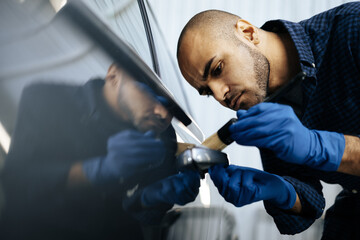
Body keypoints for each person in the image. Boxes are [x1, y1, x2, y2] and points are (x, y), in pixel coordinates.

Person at [177, 2, 360, 239]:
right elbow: (310, 203)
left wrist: (317, 147)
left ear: (248, 33)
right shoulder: (260, 101)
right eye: (208, 91)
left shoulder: (352, 28)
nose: (220, 95)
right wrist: (277, 189)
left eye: (218, 69)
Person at [0, 63, 201, 240]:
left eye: (171, 108)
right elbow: (18, 183)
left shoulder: (163, 137)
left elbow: (143, 218)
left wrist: (154, 198)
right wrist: (98, 170)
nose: (164, 114)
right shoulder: (48, 100)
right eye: (151, 94)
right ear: (114, 76)